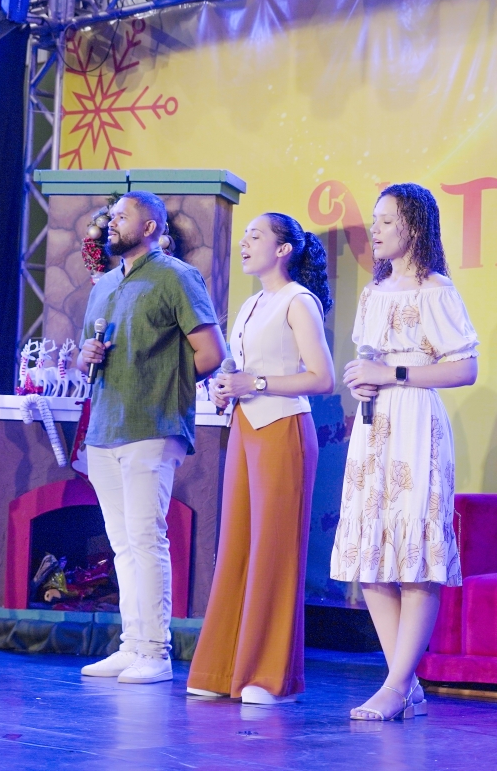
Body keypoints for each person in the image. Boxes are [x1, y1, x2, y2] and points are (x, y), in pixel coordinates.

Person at [330, 183, 479, 720]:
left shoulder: (435, 290)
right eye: (374, 220)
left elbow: (465, 368)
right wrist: (360, 378)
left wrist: (392, 373)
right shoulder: (373, 293)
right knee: (371, 556)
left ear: (414, 227)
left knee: (414, 558)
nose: (375, 230)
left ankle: (394, 687)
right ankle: (403, 681)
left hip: (415, 423)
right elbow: (366, 359)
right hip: (373, 427)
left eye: (387, 220)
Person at [75, 191, 227, 684]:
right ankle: (131, 644)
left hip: (152, 423)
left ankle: (156, 652)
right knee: (122, 543)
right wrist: (85, 356)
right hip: (105, 427)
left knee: (145, 537)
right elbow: (85, 351)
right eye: (111, 215)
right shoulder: (103, 284)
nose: (111, 222)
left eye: (122, 216)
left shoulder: (176, 276)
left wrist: (161, 382)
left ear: (149, 227)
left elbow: (211, 353)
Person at [186, 213, 335, 705]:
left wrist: (257, 383)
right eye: (244, 236)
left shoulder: (299, 301)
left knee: (273, 550)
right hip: (245, 427)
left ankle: (269, 675)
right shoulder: (251, 304)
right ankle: (221, 669)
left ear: (284, 249)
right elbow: (240, 369)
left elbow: (322, 378)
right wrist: (225, 386)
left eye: (256, 236)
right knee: (236, 545)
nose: (245, 244)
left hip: (284, 427)